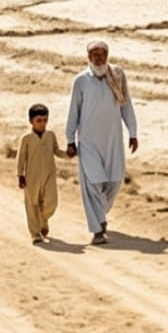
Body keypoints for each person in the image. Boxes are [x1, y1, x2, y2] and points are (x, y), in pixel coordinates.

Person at [65, 39, 138, 246]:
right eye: (94, 54)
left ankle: (98, 212)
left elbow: (126, 105)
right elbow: (74, 111)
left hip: (113, 139)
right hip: (88, 141)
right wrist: (70, 139)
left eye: (102, 54)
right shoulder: (81, 81)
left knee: (115, 179)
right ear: (88, 57)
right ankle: (98, 228)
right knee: (93, 182)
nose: (98, 58)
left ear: (107, 55)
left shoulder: (117, 75)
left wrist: (133, 131)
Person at [16, 103, 65, 245]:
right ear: (31, 121)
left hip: (49, 175)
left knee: (51, 202)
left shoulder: (50, 135)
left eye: (45, 120)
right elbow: (21, 157)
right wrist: (20, 175)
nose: (42, 124)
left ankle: (43, 220)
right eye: (39, 120)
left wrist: (68, 154)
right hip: (31, 177)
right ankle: (35, 233)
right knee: (32, 204)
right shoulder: (26, 138)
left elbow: (56, 151)